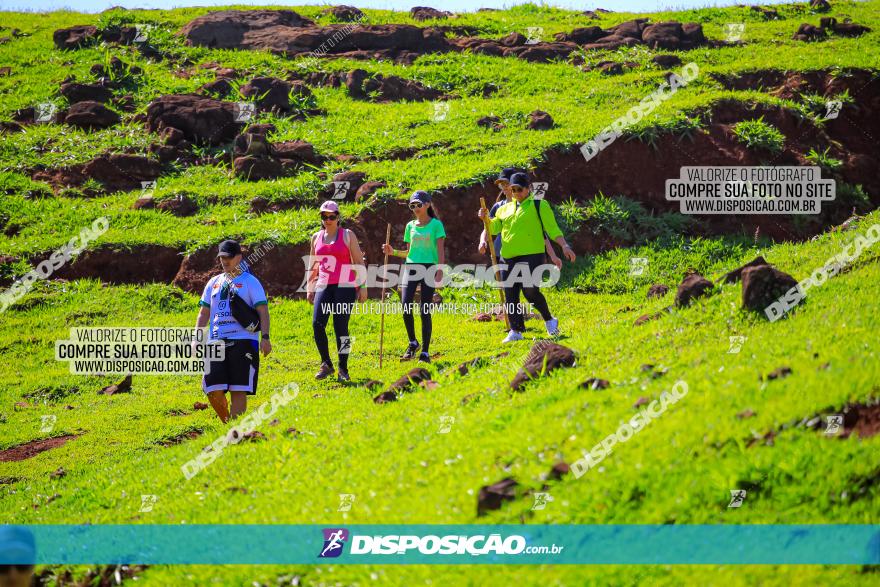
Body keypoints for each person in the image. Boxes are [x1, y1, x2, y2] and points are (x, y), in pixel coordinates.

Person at [479, 172, 576, 343]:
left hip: (533, 255)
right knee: (511, 294)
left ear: (528, 188)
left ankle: (549, 320)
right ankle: (516, 330)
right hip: (508, 257)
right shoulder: (503, 209)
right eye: (513, 189)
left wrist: (564, 246)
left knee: (530, 290)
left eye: (519, 189)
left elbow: (552, 229)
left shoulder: (539, 205)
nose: (516, 193)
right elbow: (494, 229)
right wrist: (485, 218)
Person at [195, 239, 271, 422]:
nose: (225, 261)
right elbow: (203, 313)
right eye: (222, 257)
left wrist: (265, 338)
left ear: (239, 257)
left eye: (228, 257)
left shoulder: (250, 281)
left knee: (238, 389)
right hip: (215, 341)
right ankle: (227, 422)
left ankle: (234, 430)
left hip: (244, 340)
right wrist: (196, 338)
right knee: (212, 390)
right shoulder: (213, 282)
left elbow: (263, 310)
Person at [306, 201, 368, 382]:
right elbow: (313, 264)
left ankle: (343, 368)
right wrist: (310, 287)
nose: (328, 220)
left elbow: (358, 261)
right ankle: (326, 364)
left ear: (338, 217)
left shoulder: (348, 235)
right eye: (324, 216)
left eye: (331, 216)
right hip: (324, 285)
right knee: (317, 324)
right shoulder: (316, 237)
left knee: (340, 326)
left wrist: (362, 287)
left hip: (346, 285)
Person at [382, 190, 446, 363]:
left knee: (425, 309)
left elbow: (440, 250)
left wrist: (440, 271)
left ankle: (425, 351)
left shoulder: (436, 225)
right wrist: (392, 251)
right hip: (411, 268)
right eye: (412, 205)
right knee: (405, 305)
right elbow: (409, 252)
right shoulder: (410, 226)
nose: (416, 208)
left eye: (419, 204)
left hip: (429, 268)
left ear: (427, 205)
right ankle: (413, 342)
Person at [478, 167, 562, 274]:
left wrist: (553, 256)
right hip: (502, 253)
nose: (504, 187)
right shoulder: (498, 206)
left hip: (525, 253)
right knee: (507, 286)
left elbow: (541, 233)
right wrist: (482, 241)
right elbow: (487, 226)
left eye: (506, 183)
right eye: (501, 184)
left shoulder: (530, 206)